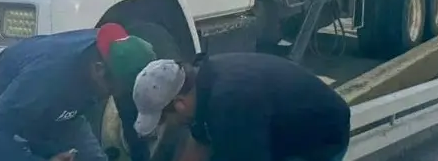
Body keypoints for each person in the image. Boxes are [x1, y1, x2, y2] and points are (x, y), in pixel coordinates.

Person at [0, 24, 157, 161]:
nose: (113, 97)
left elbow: (129, 112)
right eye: (113, 91)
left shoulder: (116, 57)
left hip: (59, 111)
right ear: (98, 70)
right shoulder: (47, 77)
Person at [131, 53, 351, 161]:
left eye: (163, 119)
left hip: (321, 139)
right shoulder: (203, 80)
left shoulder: (231, 105)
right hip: (280, 127)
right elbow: (198, 144)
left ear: (179, 105)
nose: (167, 126)